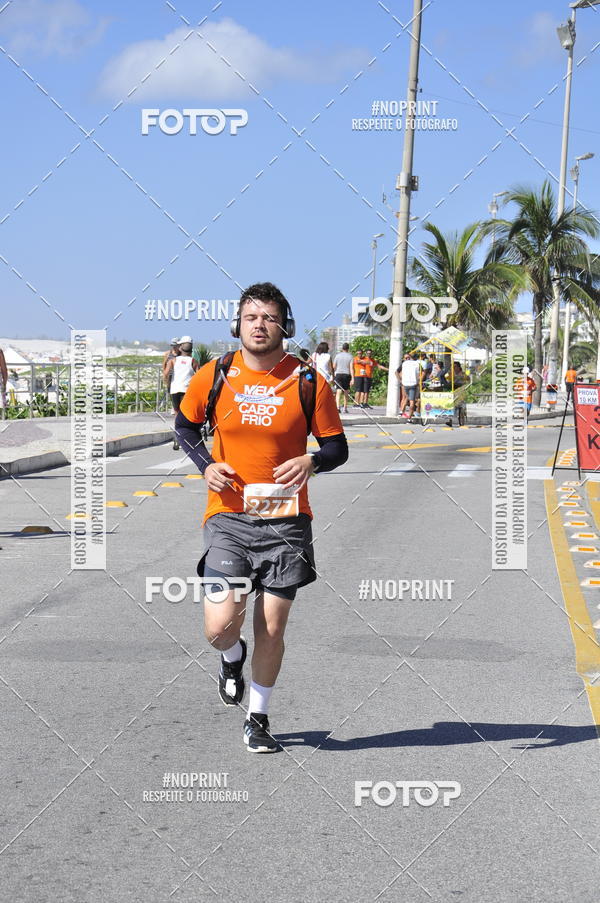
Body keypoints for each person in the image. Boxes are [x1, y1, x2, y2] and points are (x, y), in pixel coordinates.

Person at [175, 282, 348, 753]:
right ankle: (232, 659)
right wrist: (206, 464)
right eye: (251, 317)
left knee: (271, 626)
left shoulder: (308, 381)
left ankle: (258, 715)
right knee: (219, 626)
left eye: (269, 317)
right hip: (228, 517)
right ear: (238, 324)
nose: (259, 325)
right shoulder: (215, 374)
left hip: (286, 522)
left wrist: (312, 460)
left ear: (284, 325)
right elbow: (185, 426)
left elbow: (337, 446)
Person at [165, 336, 198, 449]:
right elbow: (199, 376)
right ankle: (186, 437)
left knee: (177, 413)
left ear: (181, 347)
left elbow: (165, 374)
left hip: (175, 390)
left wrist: (168, 384)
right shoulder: (193, 361)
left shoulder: (173, 360)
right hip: (186, 391)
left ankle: (177, 437)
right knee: (186, 415)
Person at [333, 342, 353, 413]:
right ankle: (345, 408)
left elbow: (334, 367)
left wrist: (333, 375)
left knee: (338, 391)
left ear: (342, 348)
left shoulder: (337, 356)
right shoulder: (350, 356)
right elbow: (351, 368)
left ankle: (338, 407)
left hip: (338, 374)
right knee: (346, 391)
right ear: (348, 348)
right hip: (346, 375)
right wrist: (352, 378)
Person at [399, 353, 420, 420]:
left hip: (405, 384)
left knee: (405, 398)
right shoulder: (416, 364)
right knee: (412, 401)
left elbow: (398, 372)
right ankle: (409, 418)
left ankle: (401, 412)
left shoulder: (404, 364)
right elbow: (418, 374)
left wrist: (401, 380)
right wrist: (417, 382)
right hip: (413, 384)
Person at [162, 338, 180, 410]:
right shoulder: (168, 353)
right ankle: (174, 406)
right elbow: (164, 364)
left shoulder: (181, 354)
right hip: (170, 375)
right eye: (173, 345)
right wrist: (164, 374)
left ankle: (176, 407)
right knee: (170, 391)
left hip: (178, 375)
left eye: (175, 345)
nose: (174, 347)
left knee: (178, 391)